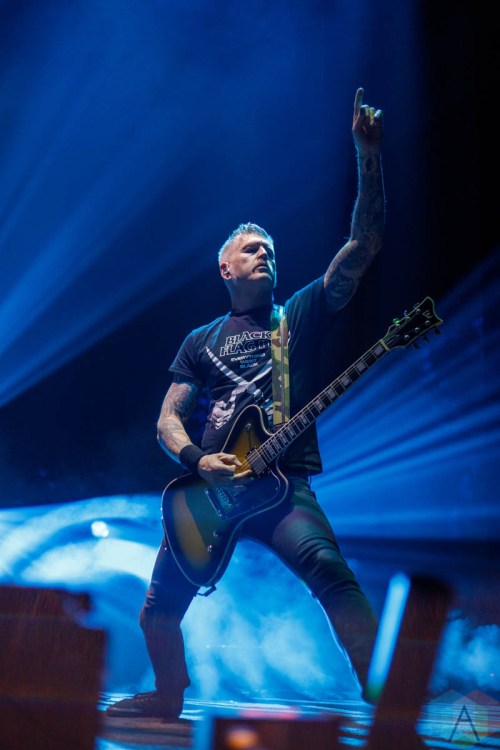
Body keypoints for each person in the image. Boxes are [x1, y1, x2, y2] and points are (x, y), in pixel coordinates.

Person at [106, 86, 385, 719]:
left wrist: (367, 157)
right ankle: (167, 697)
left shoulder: (299, 314)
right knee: (156, 611)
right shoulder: (200, 339)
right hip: (211, 492)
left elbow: (363, 246)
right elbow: (167, 419)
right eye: (252, 249)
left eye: (272, 251)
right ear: (225, 269)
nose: (266, 255)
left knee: (331, 574)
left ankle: (387, 696)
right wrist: (197, 460)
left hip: (284, 487)